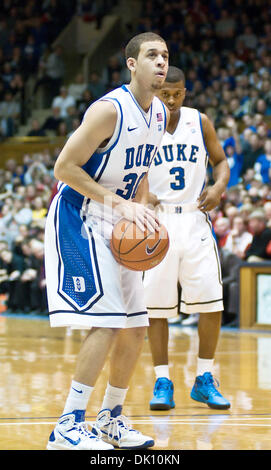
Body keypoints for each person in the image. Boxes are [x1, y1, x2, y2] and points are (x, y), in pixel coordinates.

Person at [44, 31, 169, 450]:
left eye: (165, 56)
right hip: (80, 216)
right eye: (152, 55)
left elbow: (143, 167)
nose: (161, 62)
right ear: (132, 64)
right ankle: (67, 424)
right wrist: (119, 204)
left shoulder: (159, 116)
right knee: (109, 319)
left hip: (119, 218)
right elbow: (63, 168)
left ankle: (110, 419)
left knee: (136, 326)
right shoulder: (108, 110)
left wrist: (145, 204)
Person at [143, 66, 231, 411]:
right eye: (165, 93)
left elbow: (221, 162)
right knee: (156, 308)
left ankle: (204, 378)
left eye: (177, 93)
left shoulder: (201, 121)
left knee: (211, 302)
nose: (171, 99)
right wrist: (142, 195)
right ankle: (162, 380)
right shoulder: (142, 123)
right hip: (159, 222)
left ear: (185, 92)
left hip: (195, 220)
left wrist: (218, 186)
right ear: (155, 91)